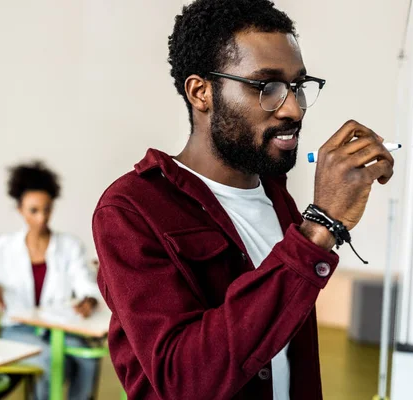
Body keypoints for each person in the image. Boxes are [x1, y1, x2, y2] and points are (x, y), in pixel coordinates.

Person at [92, 1, 395, 399]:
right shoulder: (133, 209)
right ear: (201, 92)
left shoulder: (276, 195)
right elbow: (185, 382)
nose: (292, 108)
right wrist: (320, 229)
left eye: (297, 86)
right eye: (266, 87)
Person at [0, 162, 101, 400]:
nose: (42, 217)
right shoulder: (4, 246)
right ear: (20, 210)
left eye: (47, 209)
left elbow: (84, 283)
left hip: (57, 327)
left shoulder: (69, 245)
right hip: (17, 329)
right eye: (34, 210)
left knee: (88, 357)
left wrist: (89, 299)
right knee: (51, 360)